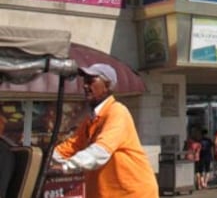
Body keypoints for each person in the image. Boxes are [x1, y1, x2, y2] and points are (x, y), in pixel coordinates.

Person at [52, 63, 158, 197]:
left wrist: (65, 167)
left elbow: (100, 152)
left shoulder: (117, 112)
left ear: (107, 86)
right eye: (84, 81)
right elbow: (70, 147)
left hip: (131, 193)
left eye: (91, 81)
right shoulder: (90, 120)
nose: (85, 86)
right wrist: (42, 159)